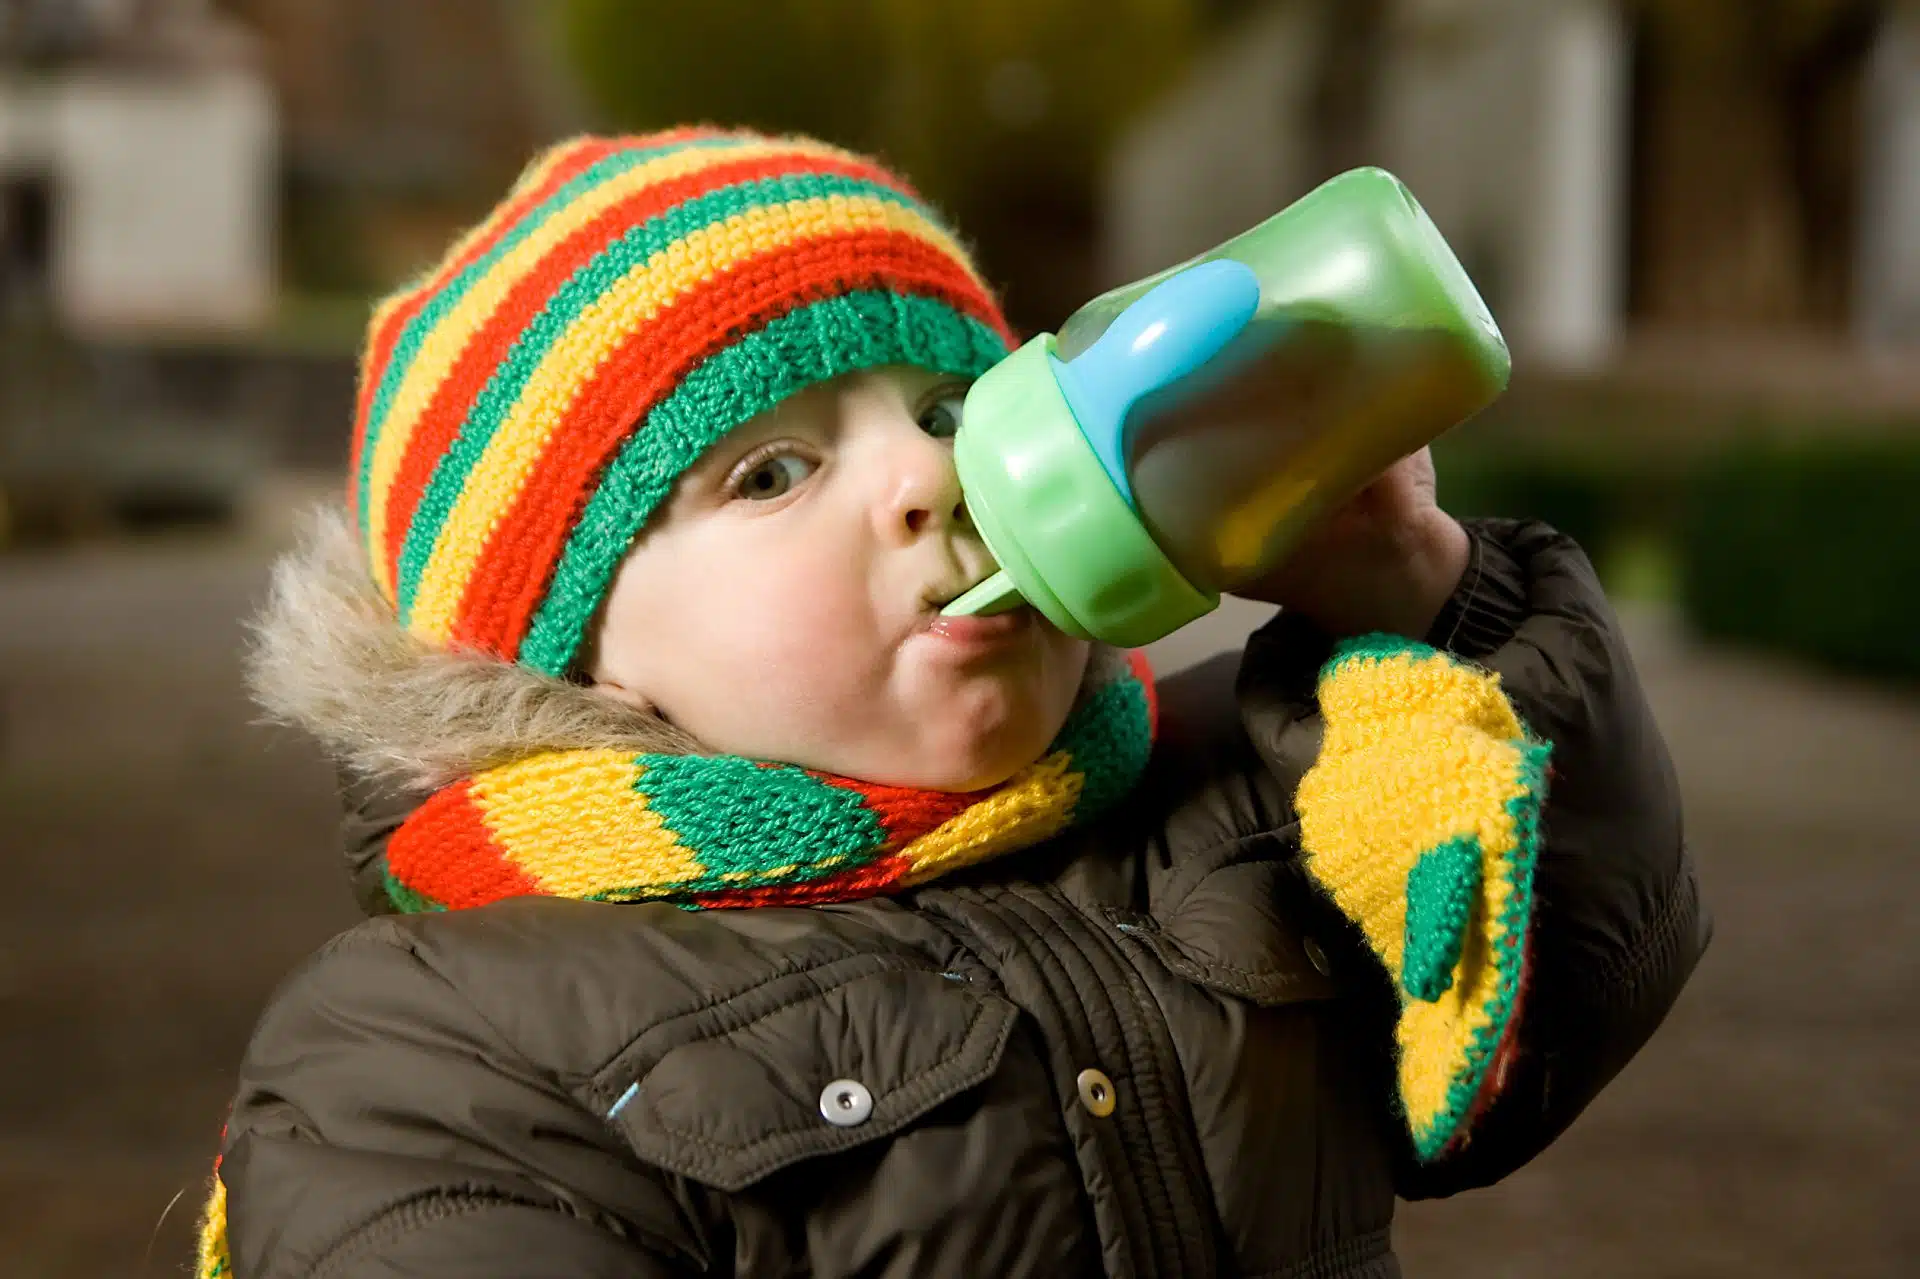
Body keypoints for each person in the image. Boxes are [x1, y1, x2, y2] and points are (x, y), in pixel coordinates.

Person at [198, 129, 1708, 1279]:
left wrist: (1411, 592)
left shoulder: (1225, 796)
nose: (929, 479)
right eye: (773, 473)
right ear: (573, 656)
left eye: (945, 411)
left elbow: (1547, 1018)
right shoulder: (433, 1050)